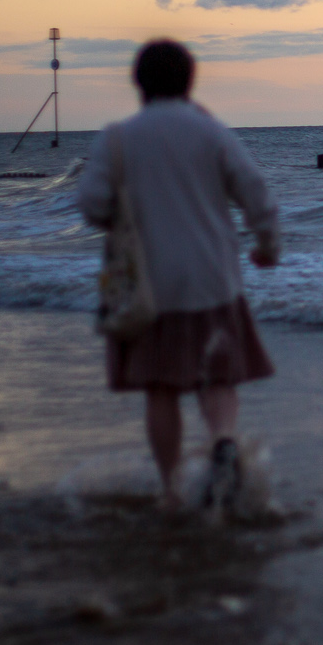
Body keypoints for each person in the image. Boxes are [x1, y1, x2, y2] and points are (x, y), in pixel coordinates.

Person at [77, 39, 280, 514]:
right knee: (219, 378)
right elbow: (256, 192)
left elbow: (91, 203)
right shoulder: (211, 132)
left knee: (162, 387)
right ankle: (224, 441)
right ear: (190, 80)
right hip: (214, 277)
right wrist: (267, 245)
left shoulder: (118, 137)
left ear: (138, 82)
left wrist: (120, 217)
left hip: (152, 286)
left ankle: (170, 490)